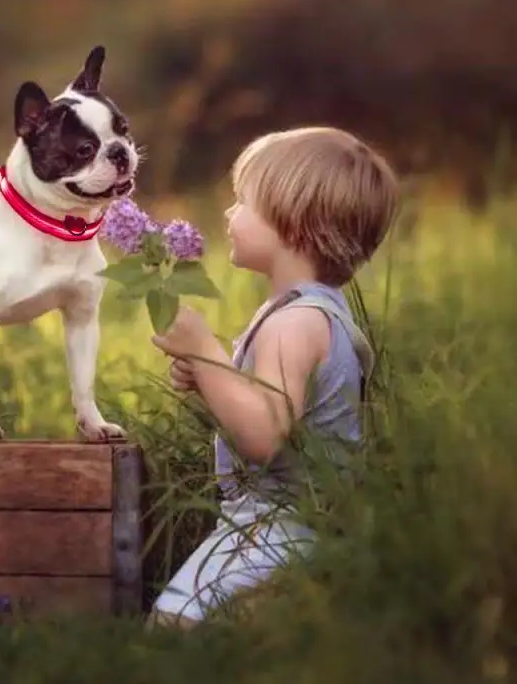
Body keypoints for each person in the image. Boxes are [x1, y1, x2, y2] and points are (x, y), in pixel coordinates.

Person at [148, 126, 399, 627]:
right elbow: (276, 412)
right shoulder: (310, 312)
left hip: (279, 523)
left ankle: (277, 607)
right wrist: (210, 380)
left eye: (244, 202)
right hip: (300, 519)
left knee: (169, 632)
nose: (229, 212)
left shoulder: (294, 325)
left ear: (296, 226)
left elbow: (264, 435)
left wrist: (206, 353)